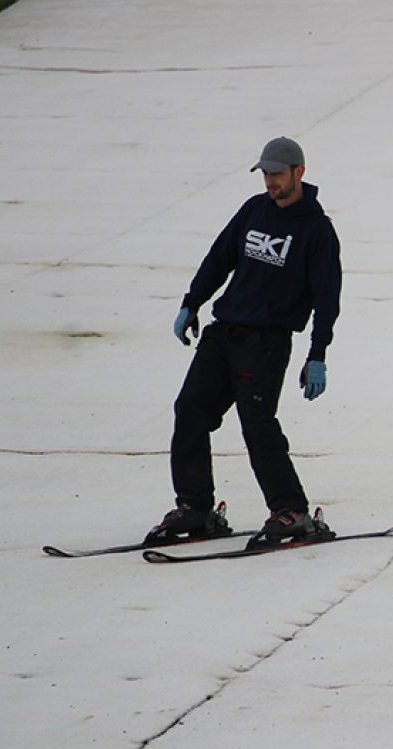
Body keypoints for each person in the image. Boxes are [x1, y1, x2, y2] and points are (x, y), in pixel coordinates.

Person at [146, 136, 342, 547]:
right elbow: (220, 256)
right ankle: (196, 508)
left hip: (266, 342)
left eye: (276, 174)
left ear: (298, 173)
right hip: (224, 333)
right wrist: (192, 302)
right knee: (191, 410)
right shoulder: (254, 210)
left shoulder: (317, 231)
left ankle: (291, 511)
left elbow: (327, 300)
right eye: (265, 173)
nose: (269, 181)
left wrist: (317, 354)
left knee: (257, 424)